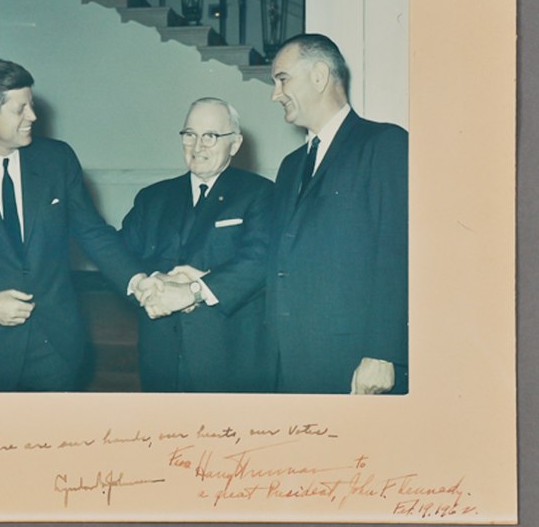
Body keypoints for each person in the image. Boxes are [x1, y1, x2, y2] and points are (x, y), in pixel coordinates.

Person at [0, 58, 158, 392]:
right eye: (21, 109)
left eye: (31, 105)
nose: (33, 116)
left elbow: (93, 233)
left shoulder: (57, 160)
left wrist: (138, 280)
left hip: (58, 344)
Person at [266, 34, 408, 394]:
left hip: (354, 364)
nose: (275, 94)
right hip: (289, 363)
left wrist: (382, 352)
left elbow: (398, 252)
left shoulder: (384, 144)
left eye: (282, 79)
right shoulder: (290, 165)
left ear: (318, 75)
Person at [120, 98, 276, 392]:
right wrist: (152, 283)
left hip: (229, 359)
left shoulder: (260, 194)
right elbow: (121, 257)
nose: (198, 146)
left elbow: (260, 260)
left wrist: (194, 291)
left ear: (235, 143)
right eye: (190, 134)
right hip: (161, 357)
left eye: (211, 136)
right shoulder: (152, 198)